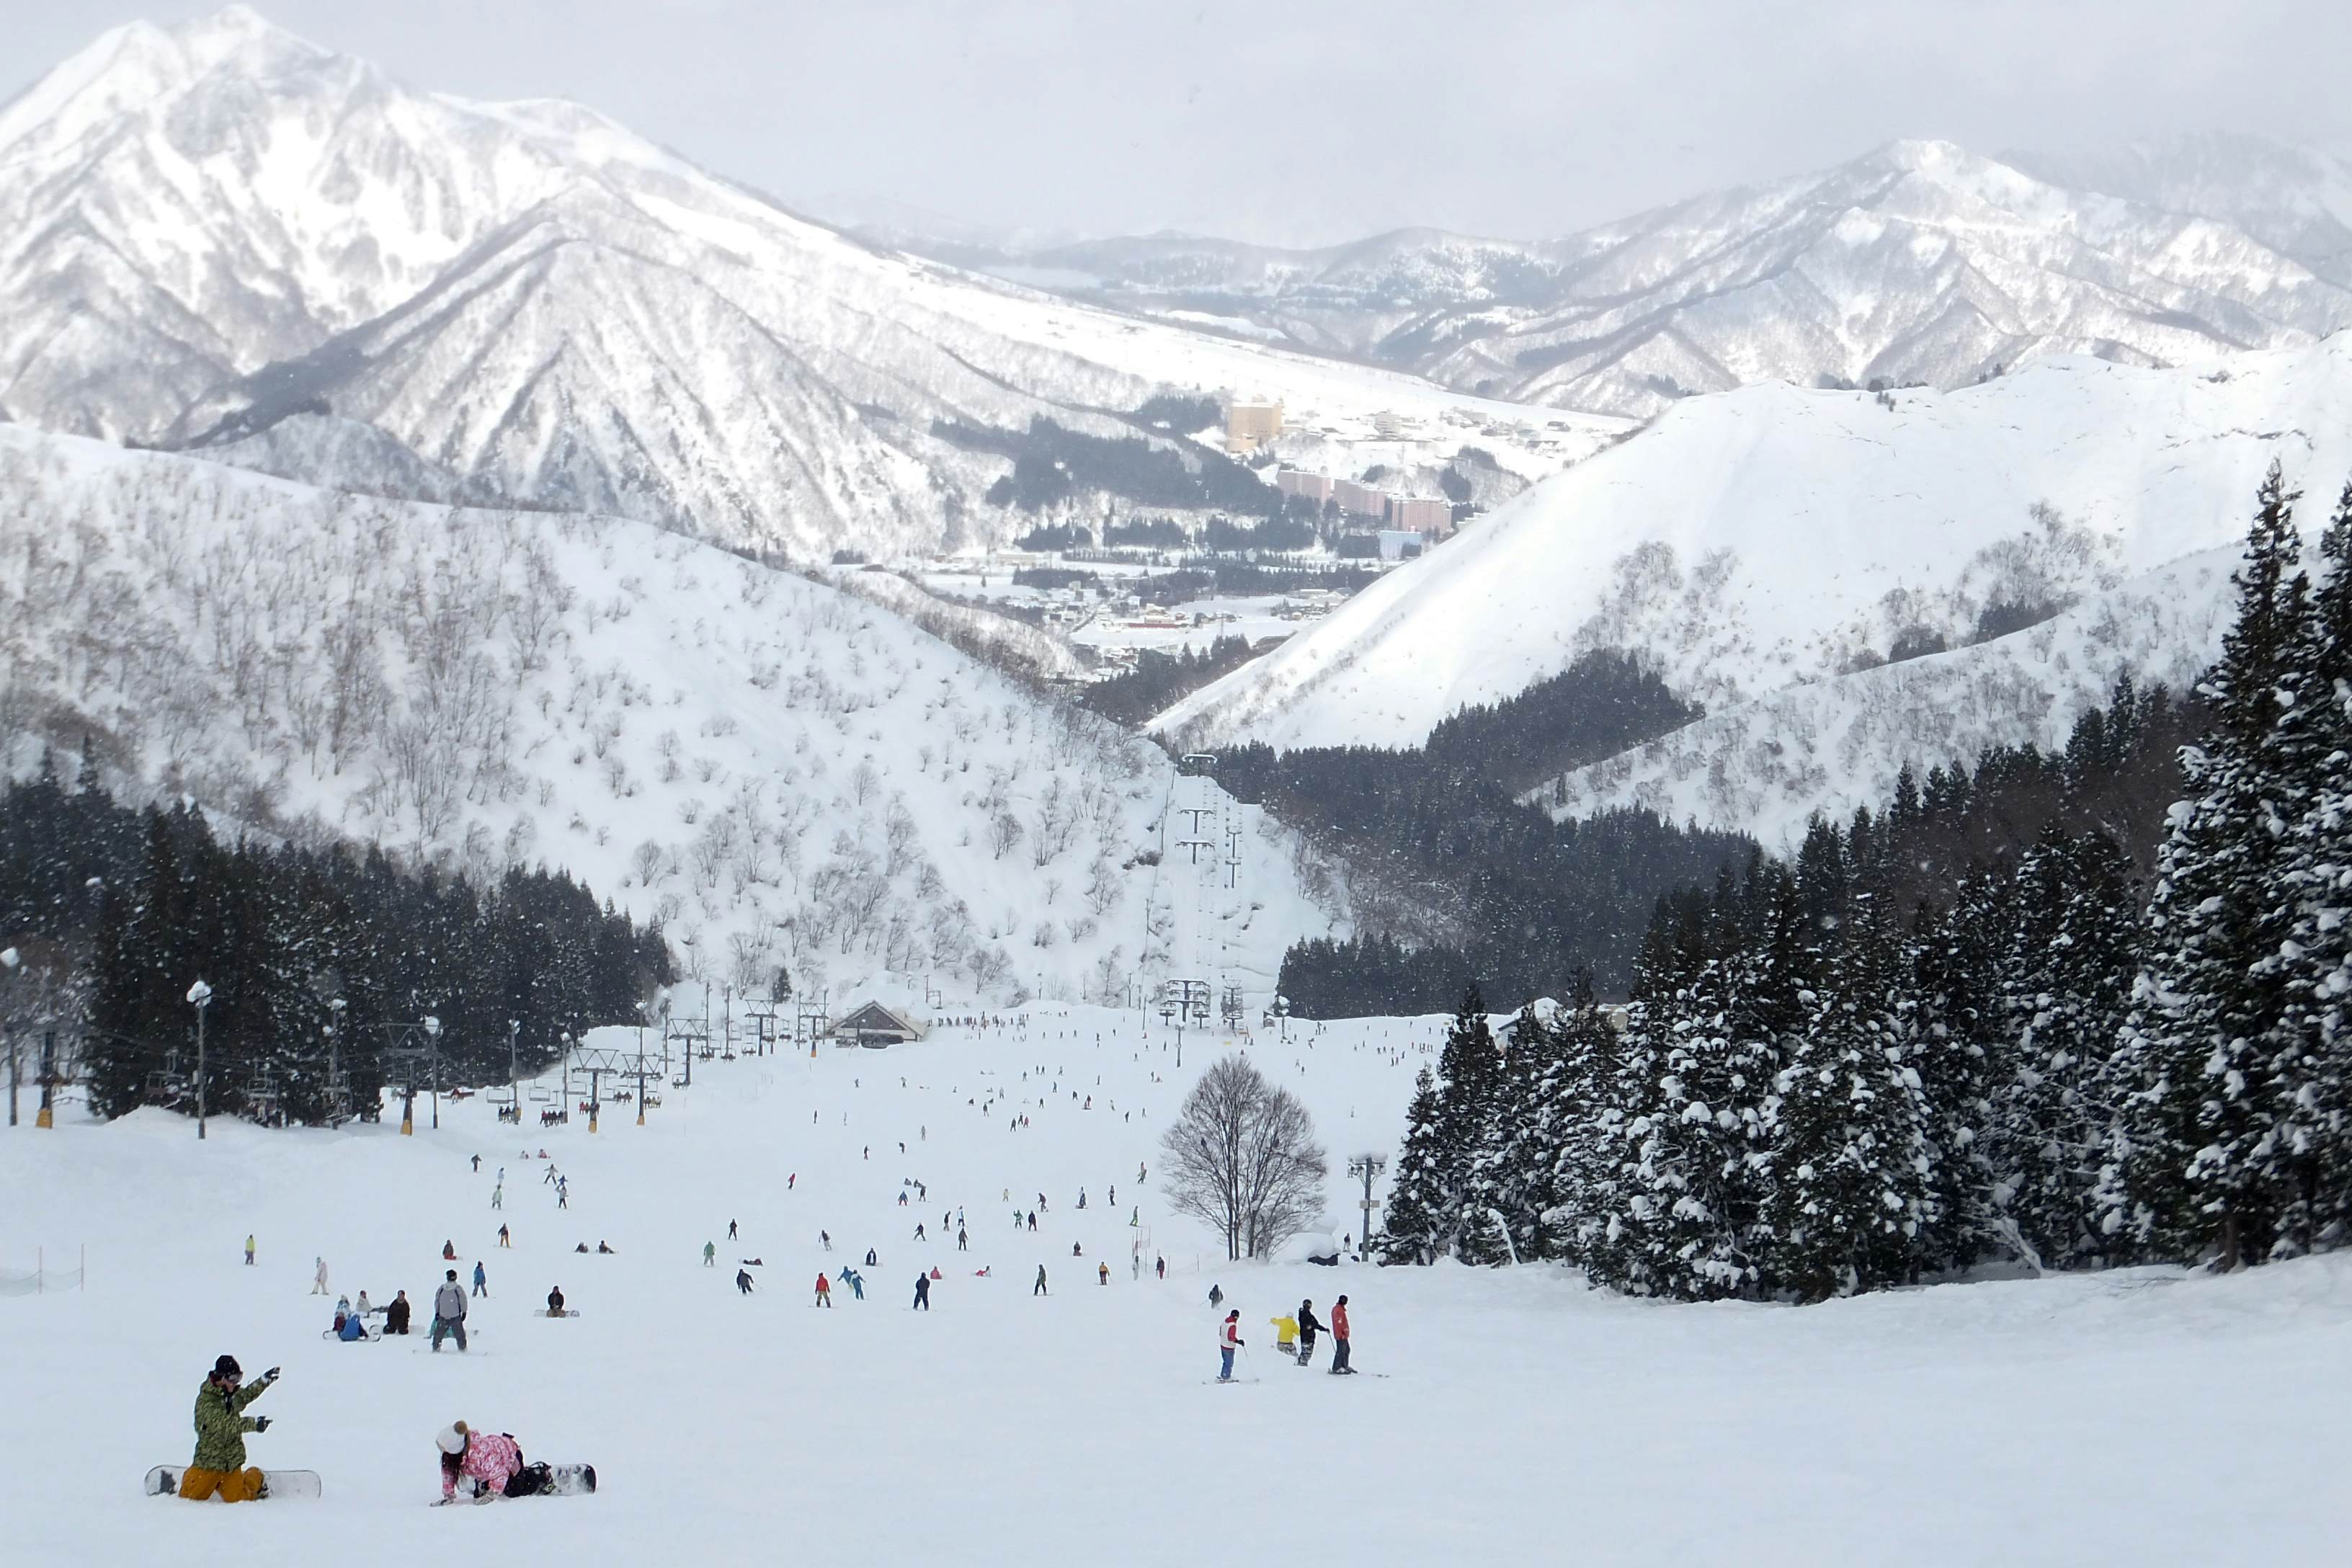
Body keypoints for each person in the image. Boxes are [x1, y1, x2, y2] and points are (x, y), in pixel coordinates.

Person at [180, 1356, 280, 1500]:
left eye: (239, 1378)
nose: (236, 1383)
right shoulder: (205, 1402)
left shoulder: (229, 1393)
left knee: (240, 1498)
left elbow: (245, 1396)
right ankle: (194, 1479)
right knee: (189, 1498)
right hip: (208, 1462)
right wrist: (254, 1424)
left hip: (230, 1462)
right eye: (233, 1378)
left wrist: (263, 1382)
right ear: (221, 1377)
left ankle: (256, 1476)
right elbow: (227, 1424)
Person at [438, 1421, 524, 1504]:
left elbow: (501, 1473)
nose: (445, 1455)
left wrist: (491, 1495)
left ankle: (534, 1476)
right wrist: (448, 1495)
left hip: (511, 1456)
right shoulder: (452, 1457)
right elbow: (448, 1472)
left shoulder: (482, 1454)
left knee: (513, 1490)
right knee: (481, 1491)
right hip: (488, 1468)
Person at [431, 1270, 469, 1353]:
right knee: (459, 1333)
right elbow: (463, 1300)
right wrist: (464, 1311)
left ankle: (435, 1347)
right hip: (455, 1315)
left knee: (439, 1333)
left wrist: (437, 1312)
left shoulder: (442, 1288)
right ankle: (462, 1348)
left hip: (443, 1315)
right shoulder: (458, 1289)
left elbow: (437, 1301)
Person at [1329, 1295, 1353, 1374]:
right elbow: (1338, 1323)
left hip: (1343, 1334)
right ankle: (1337, 1368)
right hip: (1341, 1335)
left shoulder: (1340, 1309)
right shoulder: (1338, 1310)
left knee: (1346, 1350)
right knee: (1341, 1351)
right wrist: (1341, 1334)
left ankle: (1344, 1366)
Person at [1218, 1311, 1244, 1382]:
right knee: (1229, 1363)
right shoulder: (1232, 1325)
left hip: (1222, 1344)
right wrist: (1238, 1341)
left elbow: (1220, 1333)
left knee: (1225, 1361)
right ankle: (1226, 1377)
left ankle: (1224, 1374)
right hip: (1228, 1347)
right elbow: (1231, 1337)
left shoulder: (1225, 1322)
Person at [1296, 1299, 1324, 1367]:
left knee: (1305, 1351)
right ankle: (1302, 1365)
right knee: (1307, 1351)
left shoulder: (1302, 1314)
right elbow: (1315, 1324)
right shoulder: (1307, 1315)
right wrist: (1323, 1329)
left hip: (1304, 1336)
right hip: (1309, 1336)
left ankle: (1301, 1363)